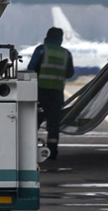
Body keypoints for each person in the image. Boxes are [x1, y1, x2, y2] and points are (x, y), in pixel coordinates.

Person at [29, 26, 75, 160]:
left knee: (34, 122)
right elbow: (70, 73)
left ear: (47, 37)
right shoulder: (66, 53)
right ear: (60, 39)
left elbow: (31, 69)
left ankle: (30, 149)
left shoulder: (42, 50)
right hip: (57, 94)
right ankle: (52, 151)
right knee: (54, 124)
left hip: (40, 92)